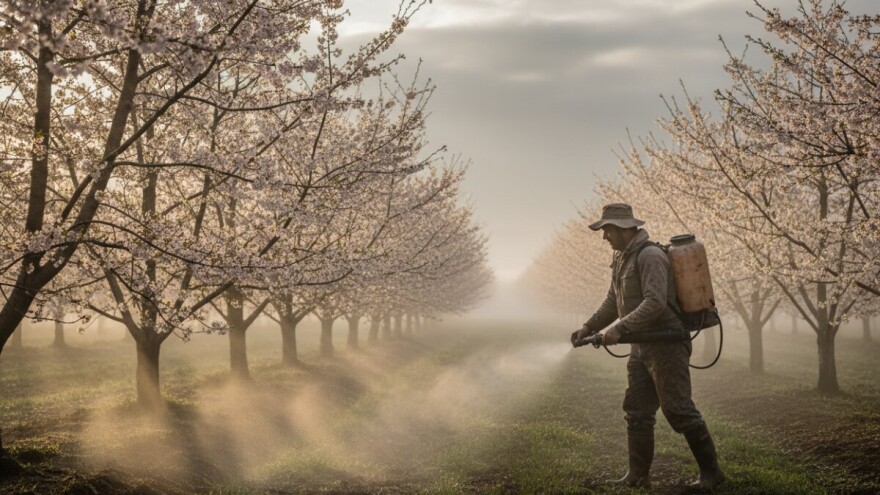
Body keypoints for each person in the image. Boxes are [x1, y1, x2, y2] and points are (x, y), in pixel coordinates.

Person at [570, 203, 725, 490]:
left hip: (666, 345)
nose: (604, 236)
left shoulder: (650, 256)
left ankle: (712, 473)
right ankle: (638, 477)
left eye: (607, 230)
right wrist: (589, 327)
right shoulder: (621, 259)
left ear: (625, 228)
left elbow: (654, 302)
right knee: (637, 410)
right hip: (641, 346)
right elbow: (612, 301)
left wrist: (620, 328)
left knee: (678, 409)